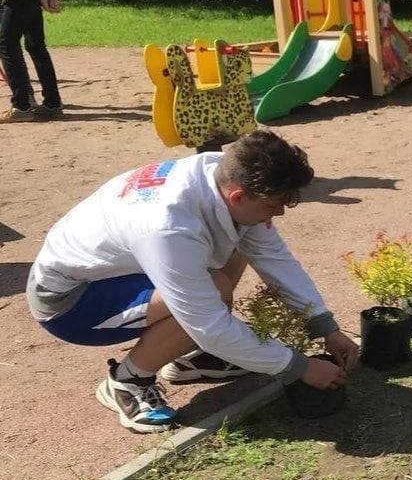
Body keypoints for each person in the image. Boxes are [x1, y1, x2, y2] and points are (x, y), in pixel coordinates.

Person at [27, 130, 360, 433]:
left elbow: (275, 259)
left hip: (116, 270)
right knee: (213, 291)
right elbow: (208, 323)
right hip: (71, 303)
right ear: (238, 197)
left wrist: (324, 326)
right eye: (273, 206)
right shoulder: (168, 224)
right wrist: (298, 367)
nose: (279, 215)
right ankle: (127, 381)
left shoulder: (223, 173)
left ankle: (193, 359)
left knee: (238, 250)